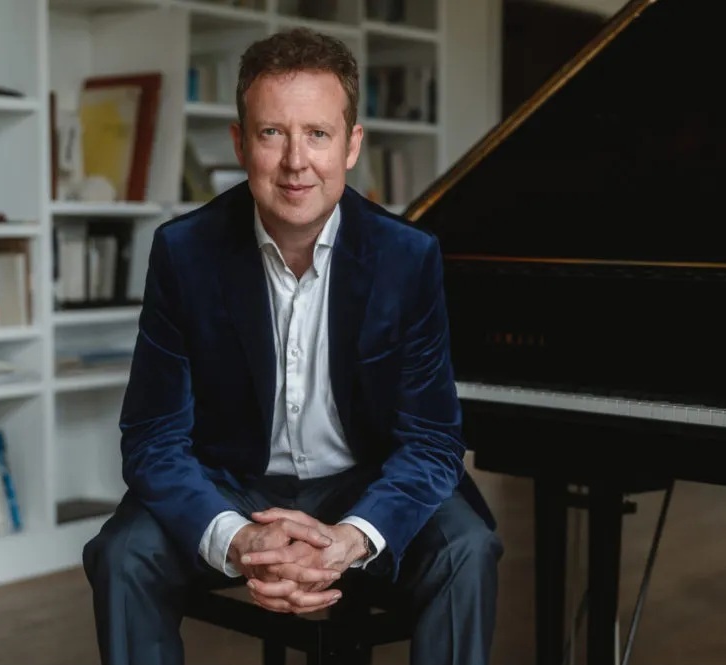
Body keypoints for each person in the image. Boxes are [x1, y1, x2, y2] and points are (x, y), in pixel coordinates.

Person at [82, 26, 503, 665]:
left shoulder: (407, 258)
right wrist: (238, 538)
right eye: (272, 132)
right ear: (240, 143)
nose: (295, 160)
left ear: (352, 144)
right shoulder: (184, 252)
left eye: (318, 133)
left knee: (466, 548)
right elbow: (151, 438)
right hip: (232, 483)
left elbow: (432, 442)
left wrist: (353, 538)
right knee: (122, 553)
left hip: (365, 481)